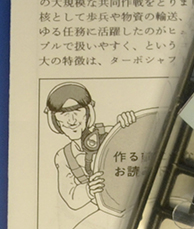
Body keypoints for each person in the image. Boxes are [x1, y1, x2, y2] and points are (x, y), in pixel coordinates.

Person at [44, 82, 136, 218]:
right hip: (105, 214)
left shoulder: (111, 133)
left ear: (88, 112)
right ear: (55, 119)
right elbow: (71, 197)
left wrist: (130, 127)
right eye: (63, 113)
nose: (72, 121)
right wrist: (89, 190)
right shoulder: (63, 156)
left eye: (77, 111)